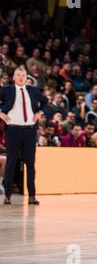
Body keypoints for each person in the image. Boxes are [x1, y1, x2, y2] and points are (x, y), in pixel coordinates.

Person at [0, 67, 48, 205]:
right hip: (13, 131)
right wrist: (0, 113)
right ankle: (8, 195)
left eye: (23, 75)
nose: (21, 77)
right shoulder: (7, 90)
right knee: (11, 163)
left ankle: (32, 195)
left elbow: (45, 102)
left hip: (29, 131)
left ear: (27, 78)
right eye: (18, 75)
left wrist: (40, 112)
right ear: (14, 78)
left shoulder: (33, 91)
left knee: (30, 164)